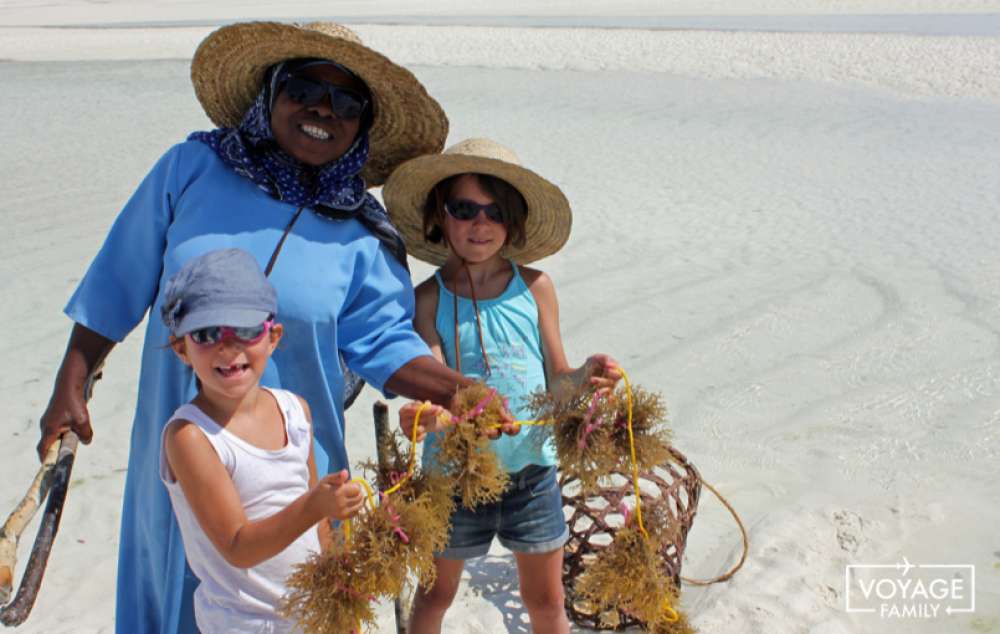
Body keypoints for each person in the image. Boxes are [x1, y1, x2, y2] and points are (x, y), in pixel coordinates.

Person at [35, 22, 497, 633]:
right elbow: (118, 279)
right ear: (270, 93)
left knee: (291, 604)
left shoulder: (361, 231)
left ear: (362, 125)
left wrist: (453, 389)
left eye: (346, 102)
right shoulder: (191, 169)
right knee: (173, 586)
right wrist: (71, 382)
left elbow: (385, 341)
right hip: (183, 446)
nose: (321, 110)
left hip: (297, 471)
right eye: (304, 88)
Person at [383, 138, 622, 634]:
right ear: (439, 216)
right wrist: (429, 417)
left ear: (511, 222)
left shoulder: (535, 288)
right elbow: (433, 381)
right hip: (454, 474)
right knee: (435, 595)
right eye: (465, 209)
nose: (480, 224)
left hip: (531, 471)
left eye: (495, 211)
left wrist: (586, 376)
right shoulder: (425, 299)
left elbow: (557, 379)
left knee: (546, 599)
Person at [158, 248, 365, 632]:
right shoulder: (191, 436)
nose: (228, 346)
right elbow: (239, 547)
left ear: (273, 337)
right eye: (206, 333)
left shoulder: (295, 411)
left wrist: (341, 598)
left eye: (247, 330)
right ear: (180, 348)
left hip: (312, 616)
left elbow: (320, 532)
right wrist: (316, 505)